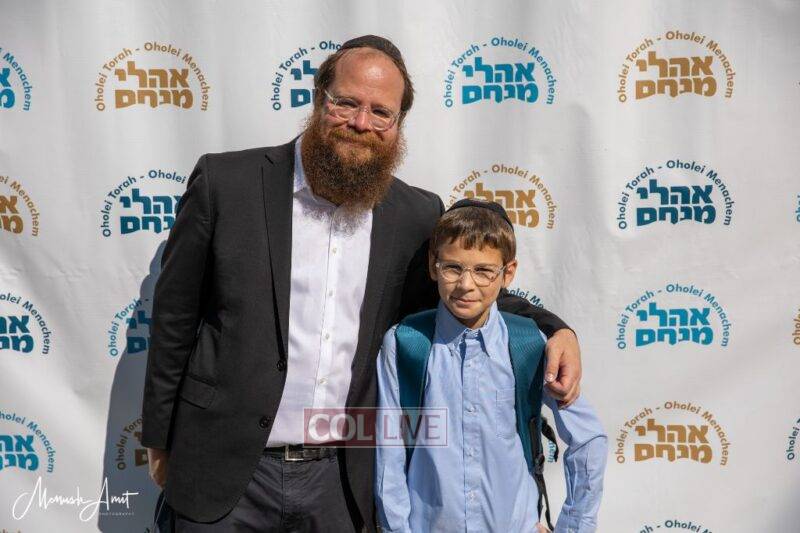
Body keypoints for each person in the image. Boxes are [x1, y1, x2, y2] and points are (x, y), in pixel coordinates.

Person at [141, 35, 583, 531]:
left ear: (398, 124)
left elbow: (465, 288)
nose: (361, 123)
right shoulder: (227, 183)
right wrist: (158, 436)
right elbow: (175, 315)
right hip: (223, 470)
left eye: (381, 112)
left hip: (344, 484)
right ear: (319, 99)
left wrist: (555, 328)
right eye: (346, 103)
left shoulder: (416, 214)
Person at [375, 200, 607, 533]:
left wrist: (574, 527)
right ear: (433, 266)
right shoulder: (405, 343)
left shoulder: (529, 343)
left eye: (484, 271)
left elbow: (589, 438)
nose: (466, 284)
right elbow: (390, 454)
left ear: (507, 273)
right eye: (452, 268)